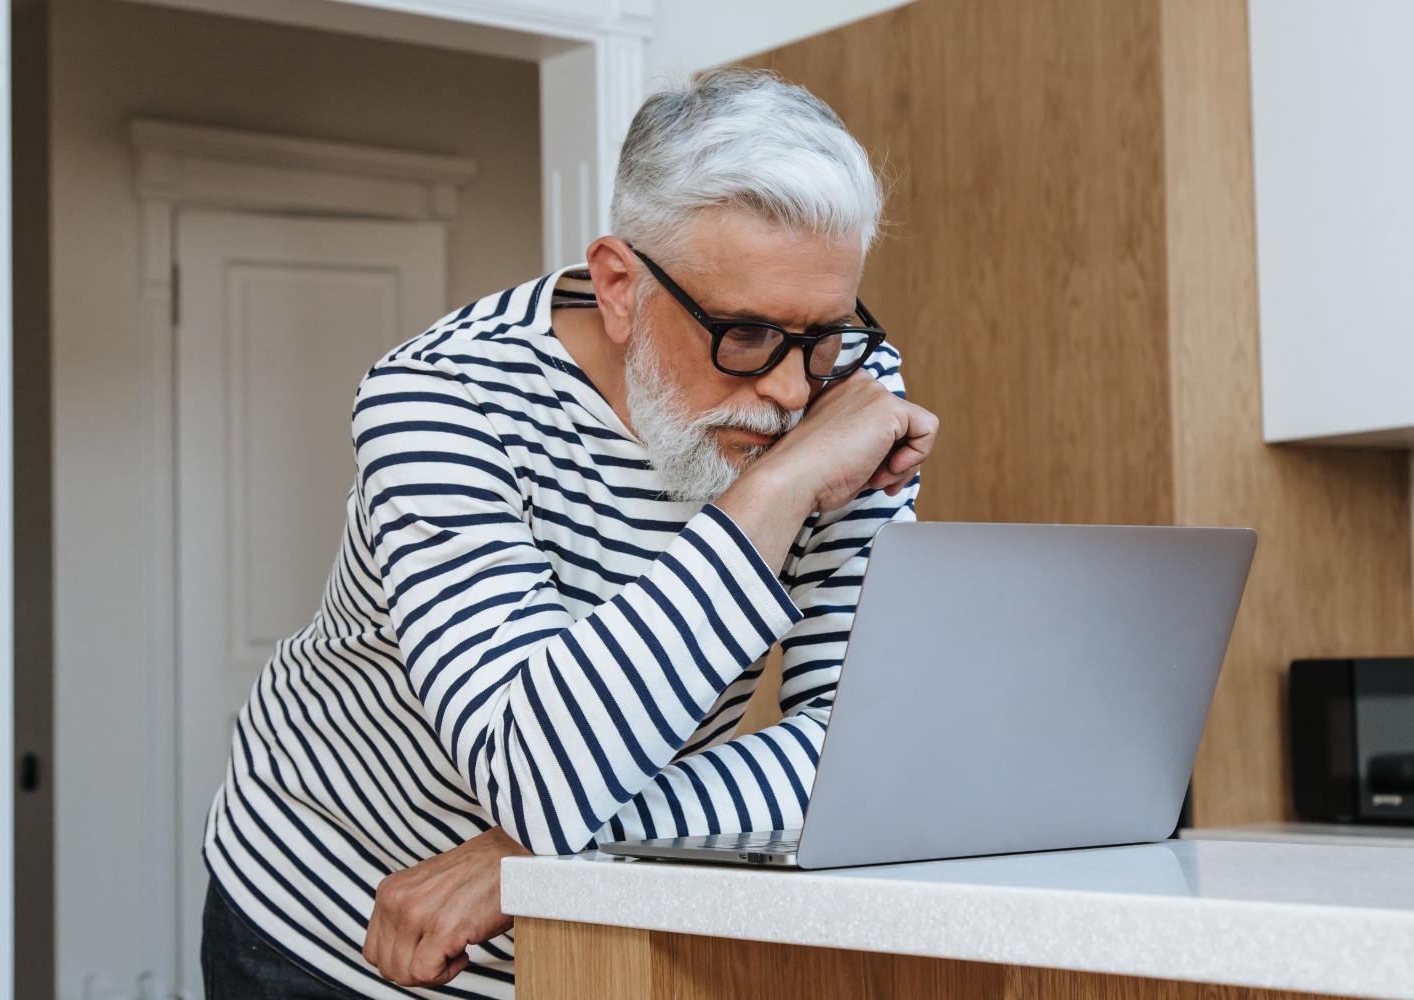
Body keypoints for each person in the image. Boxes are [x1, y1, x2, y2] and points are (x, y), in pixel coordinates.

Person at [198, 67, 939, 999]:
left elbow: (864, 750)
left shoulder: (847, 395)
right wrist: (782, 487)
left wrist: (519, 864)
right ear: (620, 286)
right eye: (744, 335)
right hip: (333, 909)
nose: (793, 391)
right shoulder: (442, 402)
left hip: (589, 912)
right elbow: (537, 774)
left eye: (824, 336)